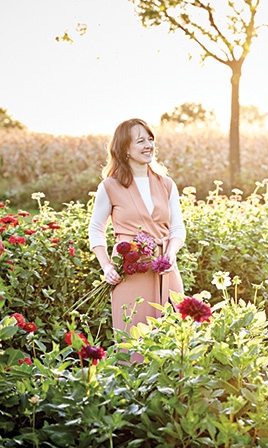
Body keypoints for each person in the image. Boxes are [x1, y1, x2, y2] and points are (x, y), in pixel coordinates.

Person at [88, 118, 186, 362]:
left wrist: (171, 253)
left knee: (173, 340)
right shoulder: (109, 186)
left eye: (150, 139)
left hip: (165, 270)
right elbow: (95, 228)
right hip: (130, 272)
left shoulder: (167, 184)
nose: (148, 145)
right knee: (134, 344)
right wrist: (106, 266)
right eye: (140, 140)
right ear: (125, 149)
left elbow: (177, 227)